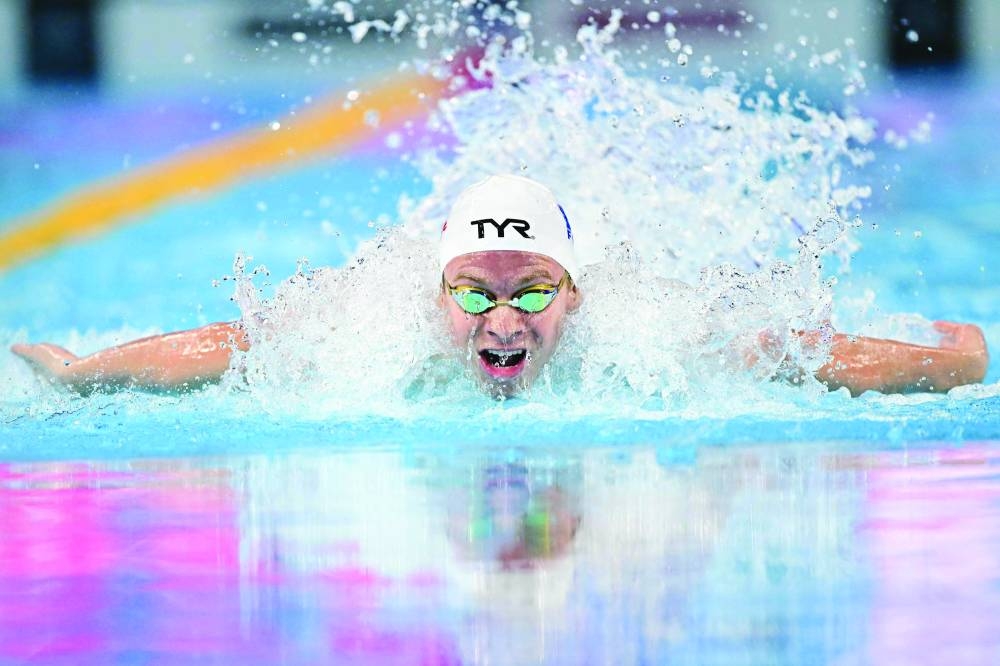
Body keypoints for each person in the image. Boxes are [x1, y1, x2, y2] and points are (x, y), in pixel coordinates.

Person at [10, 175, 990, 398]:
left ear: (575, 293)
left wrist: (955, 363)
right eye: (475, 293)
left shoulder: (653, 336)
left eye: (532, 290)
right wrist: (85, 371)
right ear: (437, 294)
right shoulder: (371, 331)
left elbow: (802, 355)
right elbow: (232, 342)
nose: (505, 318)